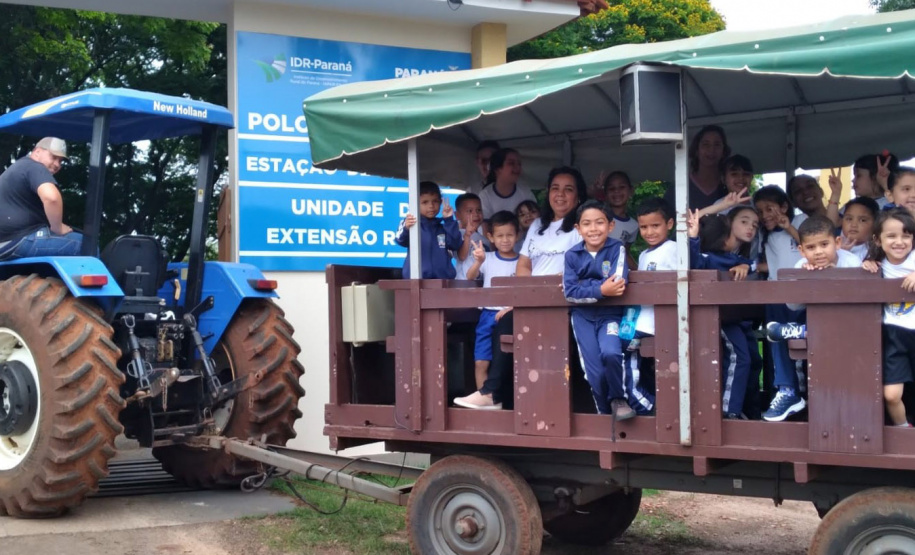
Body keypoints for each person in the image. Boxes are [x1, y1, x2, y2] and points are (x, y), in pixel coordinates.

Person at [483, 167, 588, 408]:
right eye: (555, 188)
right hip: (532, 300)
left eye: (568, 189)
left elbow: (579, 268)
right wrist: (521, 298)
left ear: (578, 195)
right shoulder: (537, 225)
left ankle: (497, 393)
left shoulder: (581, 226)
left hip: (564, 302)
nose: (560, 194)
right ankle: (495, 396)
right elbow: (523, 265)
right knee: (504, 320)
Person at [563, 200, 633, 420]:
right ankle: (604, 413)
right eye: (586, 224)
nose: (593, 229)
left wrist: (588, 287)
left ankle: (618, 399)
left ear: (610, 226)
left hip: (610, 315)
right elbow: (569, 293)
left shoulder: (616, 248)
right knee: (594, 372)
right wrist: (601, 289)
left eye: (599, 223)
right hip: (582, 318)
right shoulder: (571, 255)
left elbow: (618, 283)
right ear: (578, 228)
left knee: (611, 353)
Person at [687, 209, 758, 418]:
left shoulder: (730, 258)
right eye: (731, 236)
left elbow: (753, 264)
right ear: (723, 239)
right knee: (739, 357)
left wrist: (745, 264)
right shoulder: (709, 259)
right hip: (719, 320)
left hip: (732, 318)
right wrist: (693, 238)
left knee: (749, 359)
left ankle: (740, 409)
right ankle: (729, 410)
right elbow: (694, 262)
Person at [453, 211, 520, 410]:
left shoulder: (522, 261)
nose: (505, 240)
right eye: (500, 236)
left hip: (509, 314)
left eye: (509, 235)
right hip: (487, 315)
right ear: (490, 237)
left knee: (506, 360)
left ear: (517, 235)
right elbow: (470, 277)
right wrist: (478, 261)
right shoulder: (488, 258)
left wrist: (511, 307)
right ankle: (485, 400)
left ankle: (497, 398)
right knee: (481, 361)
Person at [753, 185, 807, 422]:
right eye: (760, 212)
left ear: (784, 206)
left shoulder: (803, 221)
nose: (764, 216)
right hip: (777, 294)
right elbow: (770, 264)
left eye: (769, 209)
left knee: (803, 345)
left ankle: (804, 392)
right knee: (777, 341)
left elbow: (812, 246)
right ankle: (786, 390)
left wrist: (789, 227)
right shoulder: (765, 235)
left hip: (804, 295)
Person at [862, 208, 915, 427]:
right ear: (877, 239)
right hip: (893, 335)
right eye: (891, 236)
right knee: (891, 395)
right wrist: (866, 266)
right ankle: (905, 434)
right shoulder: (877, 264)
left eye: (906, 235)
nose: (899, 242)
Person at [0, 137, 84, 260]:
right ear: (37, 151)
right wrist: (58, 227)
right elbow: (51, 198)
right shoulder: (35, 167)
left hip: (4, 243)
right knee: (86, 244)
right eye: (53, 157)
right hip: (19, 240)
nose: (57, 164)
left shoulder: (17, 168)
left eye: (60, 161)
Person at [394, 181, 462, 279]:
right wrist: (406, 228)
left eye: (435, 201)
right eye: (425, 202)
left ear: (440, 202)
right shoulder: (411, 223)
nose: (431, 206)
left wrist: (449, 220)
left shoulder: (443, 227)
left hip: (443, 281)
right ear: (414, 204)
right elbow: (400, 240)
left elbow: (455, 244)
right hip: (416, 281)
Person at [663, 125, 730, 212]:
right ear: (696, 150)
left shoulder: (729, 186)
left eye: (717, 145)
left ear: (723, 151)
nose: (711, 150)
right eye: (706, 144)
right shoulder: (680, 187)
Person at [478, 148, 535, 218]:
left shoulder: (525, 192)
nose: (517, 167)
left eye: (519, 164)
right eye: (511, 163)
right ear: (497, 169)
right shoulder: (485, 196)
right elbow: (485, 225)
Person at [602, 171, 639, 249]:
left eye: (622, 187)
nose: (616, 191)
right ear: (605, 193)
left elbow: (625, 252)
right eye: (611, 188)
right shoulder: (598, 216)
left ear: (631, 191)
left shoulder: (634, 225)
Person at [453, 193, 485, 280]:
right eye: (469, 211)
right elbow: (462, 257)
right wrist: (467, 235)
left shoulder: (484, 238)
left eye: (479, 210)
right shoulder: (458, 234)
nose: (475, 214)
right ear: (457, 215)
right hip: (463, 283)